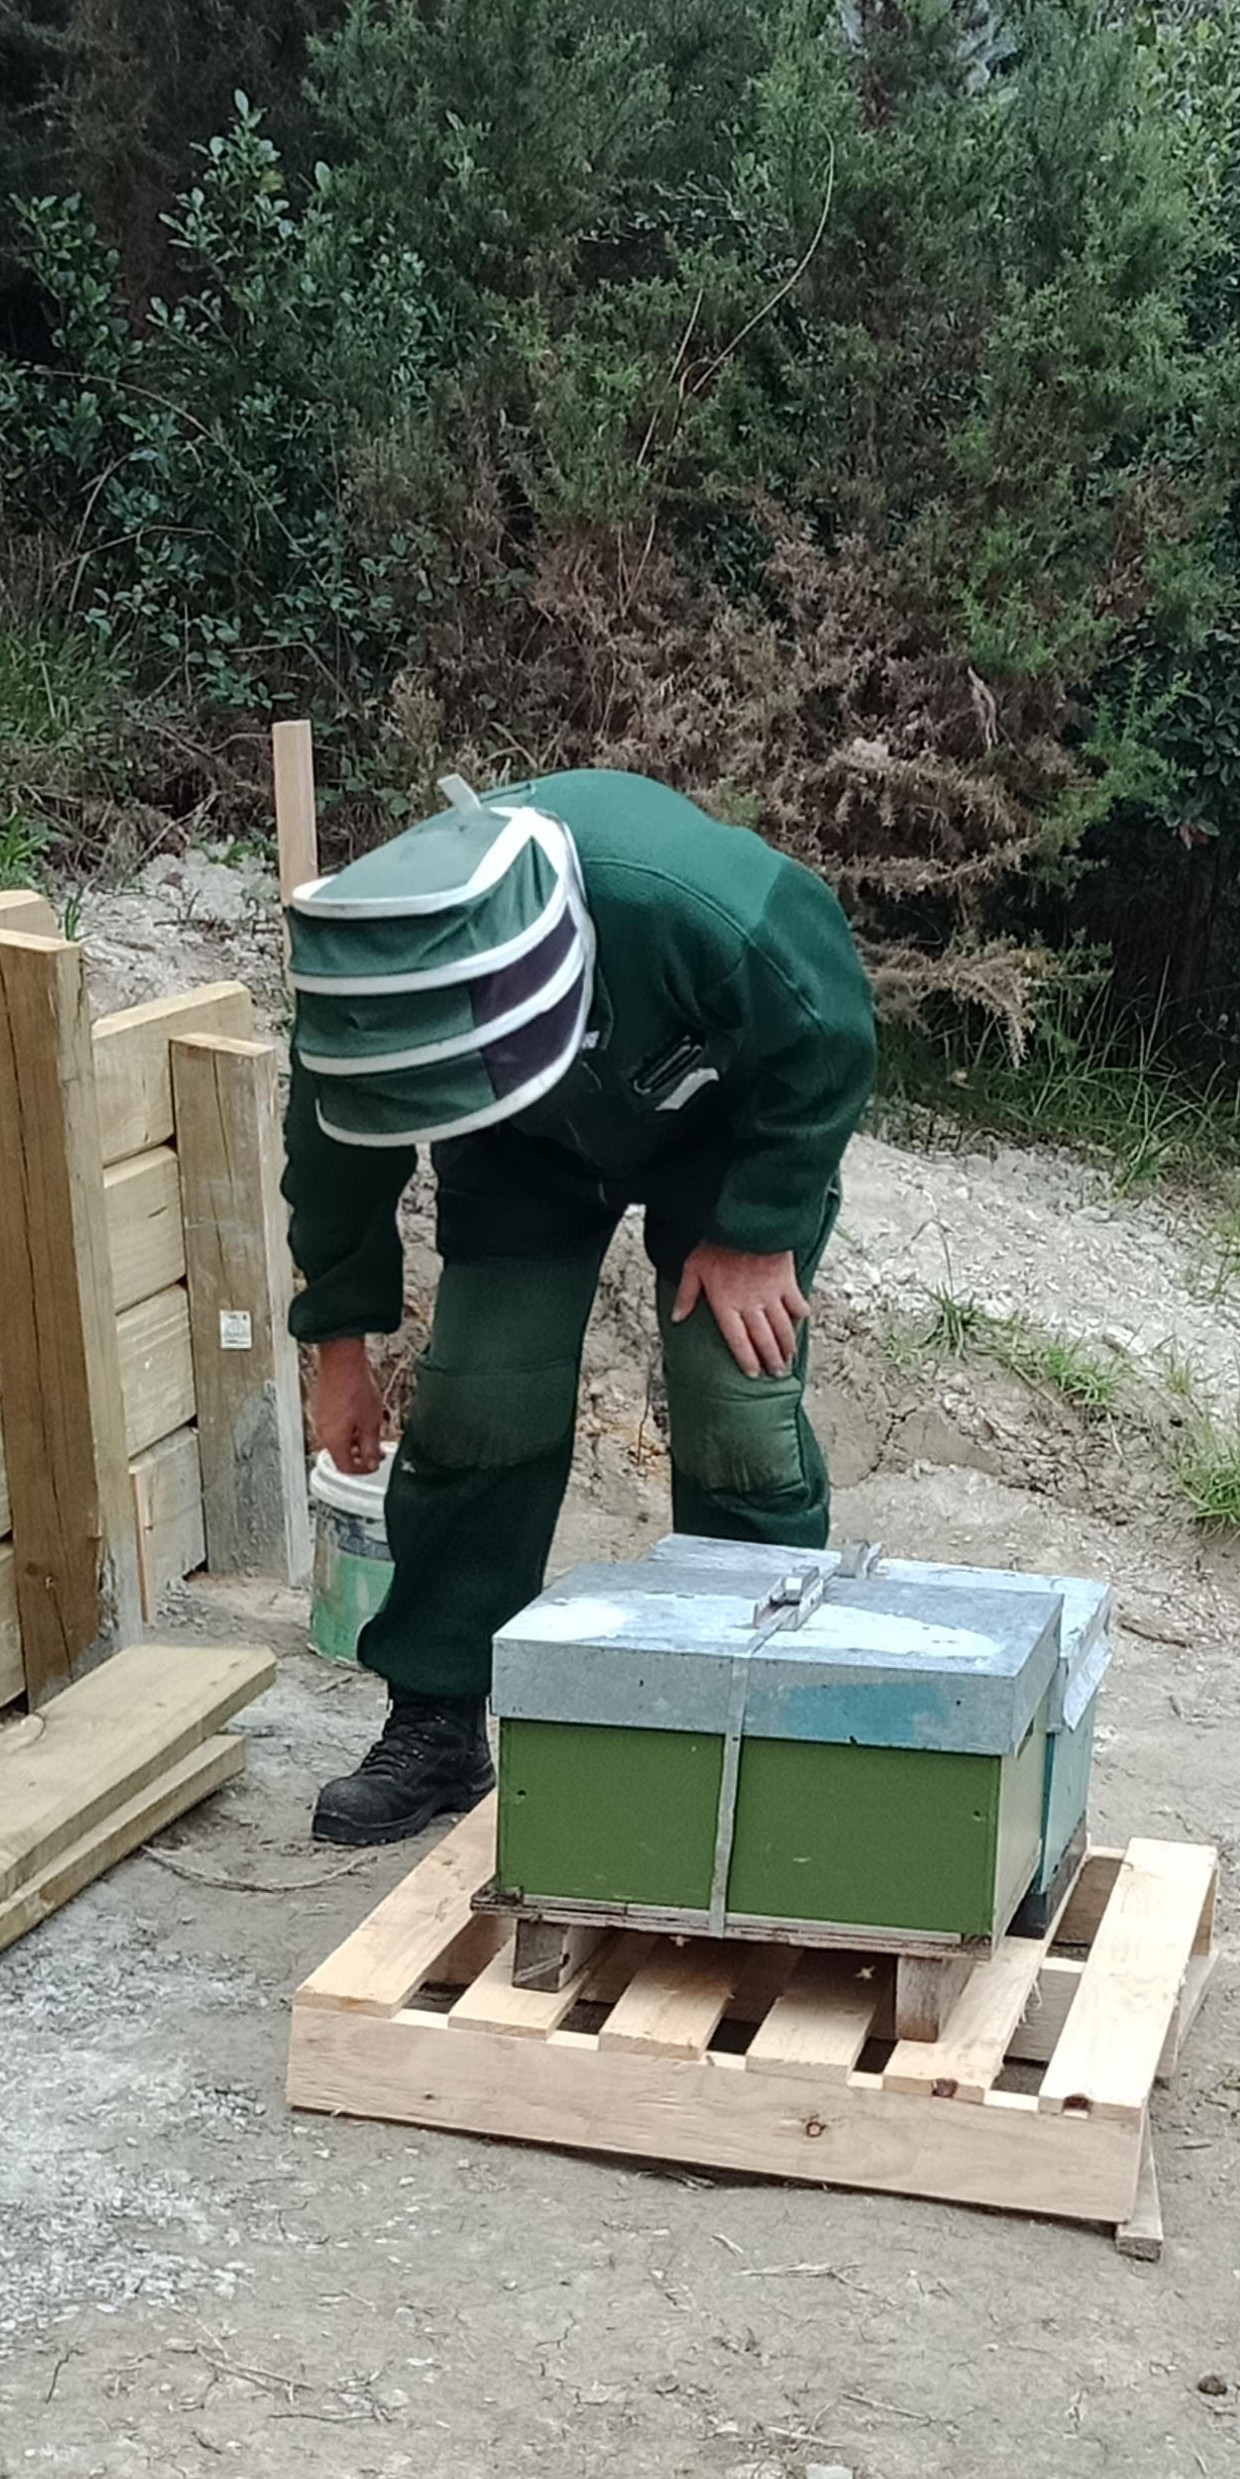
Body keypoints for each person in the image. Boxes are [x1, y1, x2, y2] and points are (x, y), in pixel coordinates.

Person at [284, 765, 879, 1846]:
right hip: (517, 1132)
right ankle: (435, 1721)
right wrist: (339, 1341)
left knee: (732, 1404)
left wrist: (757, 1229)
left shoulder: (694, 904)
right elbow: (337, 1159)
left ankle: (746, 1732)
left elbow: (826, 1024)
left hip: (720, 1122)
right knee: (478, 1398)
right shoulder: (371, 976)